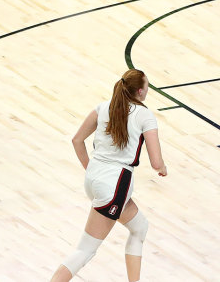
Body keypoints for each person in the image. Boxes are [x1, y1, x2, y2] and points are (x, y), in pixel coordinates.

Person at [51, 69, 165, 282]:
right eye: (147, 85)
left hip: (94, 180)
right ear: (140, 91)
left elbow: (77, 140)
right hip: (115, 186)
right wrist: (163, 168)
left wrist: (91, 170)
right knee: (85, 251)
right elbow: (156, 162)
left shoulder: (103, 108)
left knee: (140, 228)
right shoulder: (145, 115)